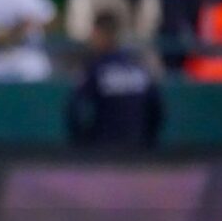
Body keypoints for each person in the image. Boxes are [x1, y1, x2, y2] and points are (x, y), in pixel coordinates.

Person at [67, 10, 163, 149]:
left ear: (103, 34)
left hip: (105, 150)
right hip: (138, 149)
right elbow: (156, 109)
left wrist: (83, 142)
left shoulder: (97, 68)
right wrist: (149, 141)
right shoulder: (136, 66)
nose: (91, 39)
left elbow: (76, 107)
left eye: (94, 34)